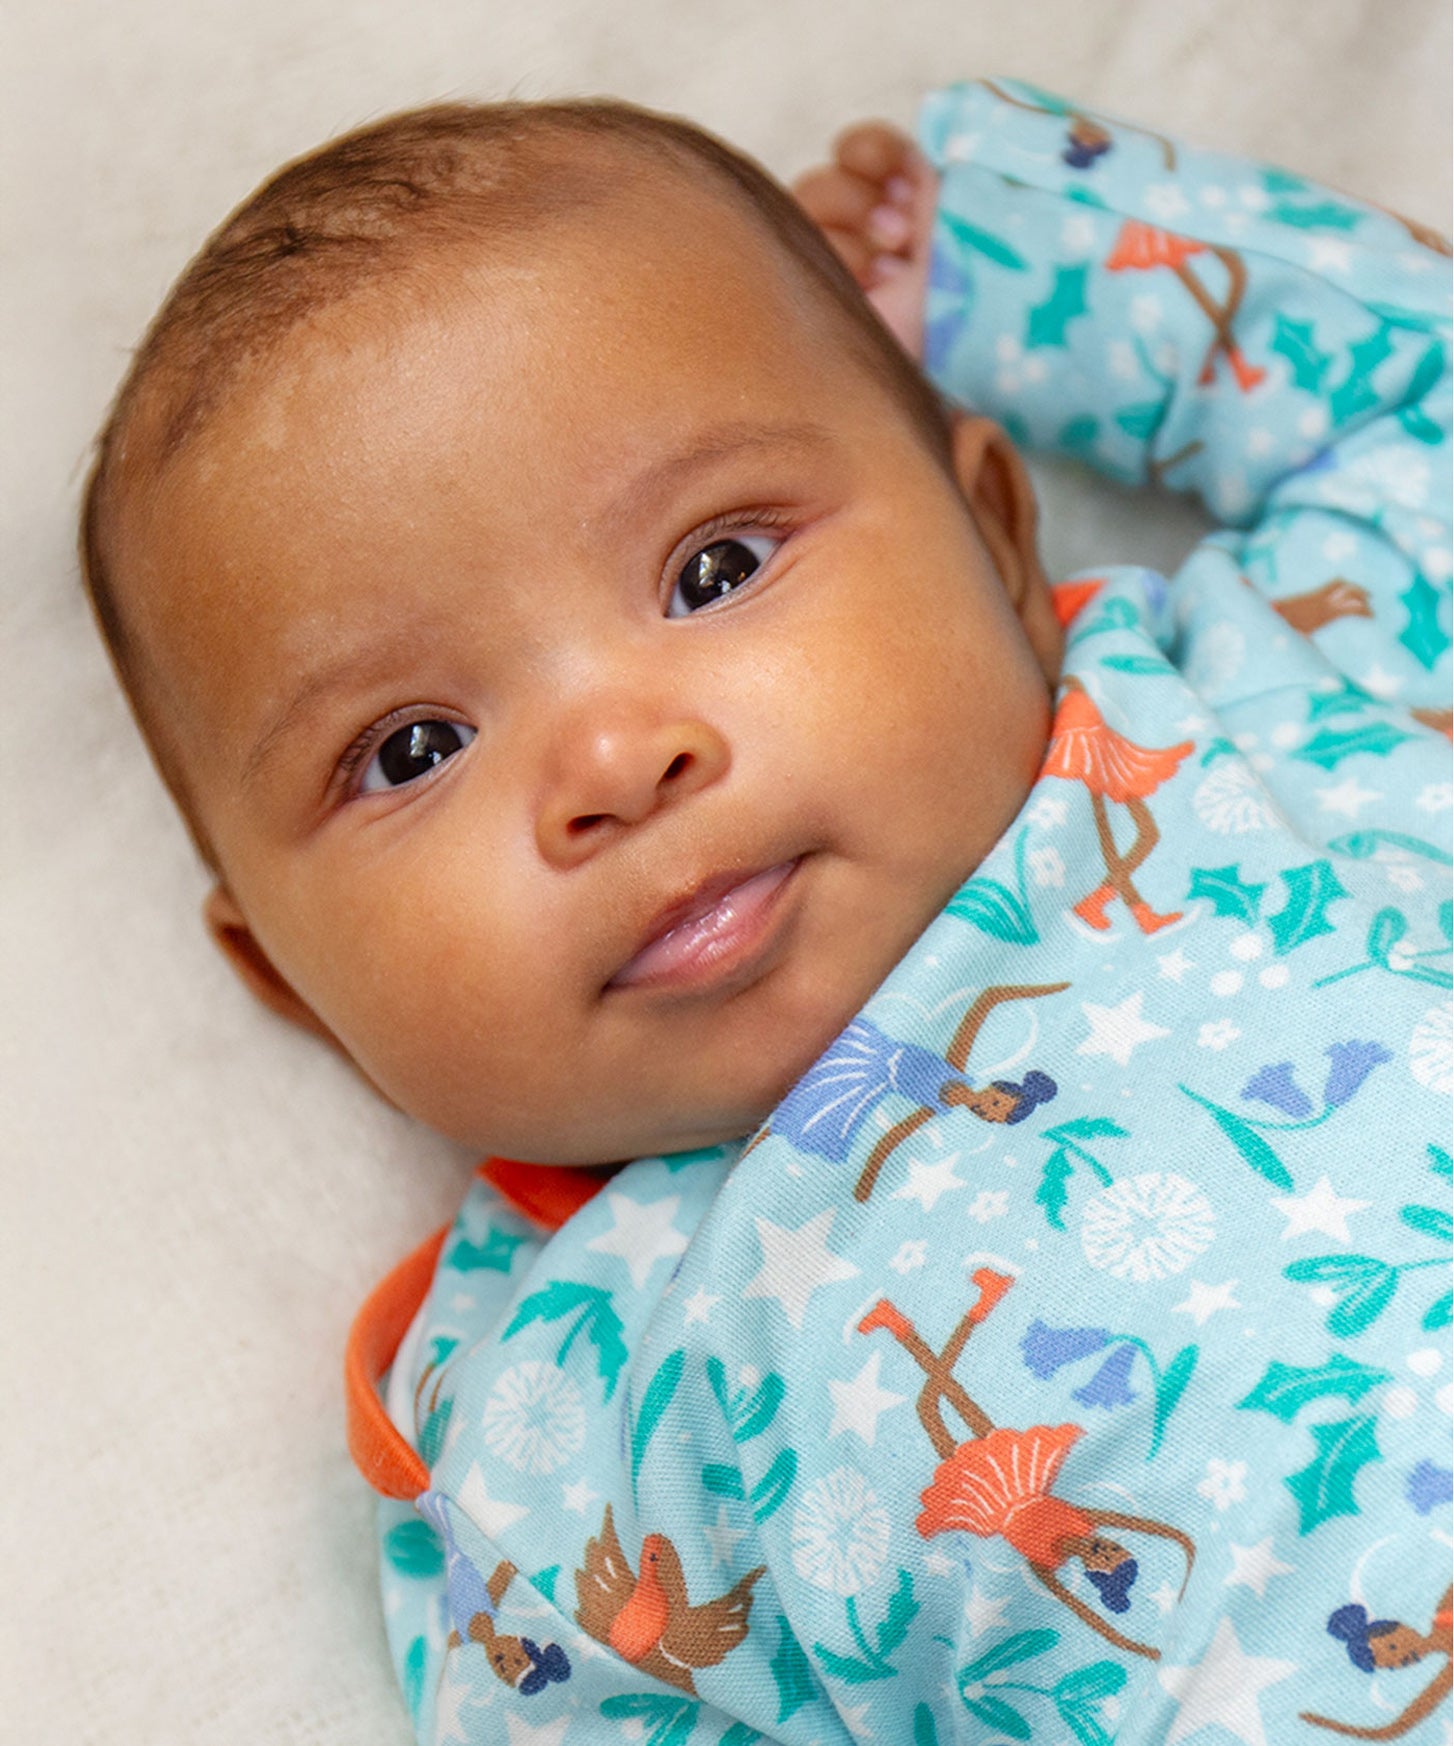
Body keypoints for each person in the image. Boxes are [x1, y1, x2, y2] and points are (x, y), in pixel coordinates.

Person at [81, 78, 1450, 1743]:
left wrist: (1020, 270)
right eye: (413, 747)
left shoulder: (1265, 685)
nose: (613, 757)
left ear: (999, 543)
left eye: (714, 568)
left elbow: (1416, 395)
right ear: (290, 982)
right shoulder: (553, 1423)